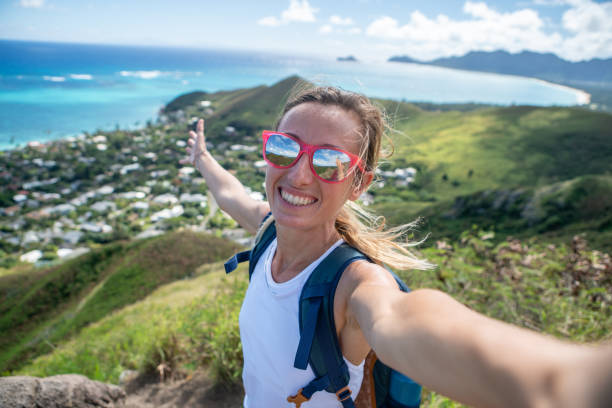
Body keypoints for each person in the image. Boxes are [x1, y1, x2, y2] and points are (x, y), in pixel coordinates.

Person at [180, 85, 612, 408]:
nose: (299, 175)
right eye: (285, 148)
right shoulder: (269, 230)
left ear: (358, 184)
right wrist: (202, 158)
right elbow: (231, 194)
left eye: (329, 163)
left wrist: (563, 382)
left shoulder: (353, 285)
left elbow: (404, 322)